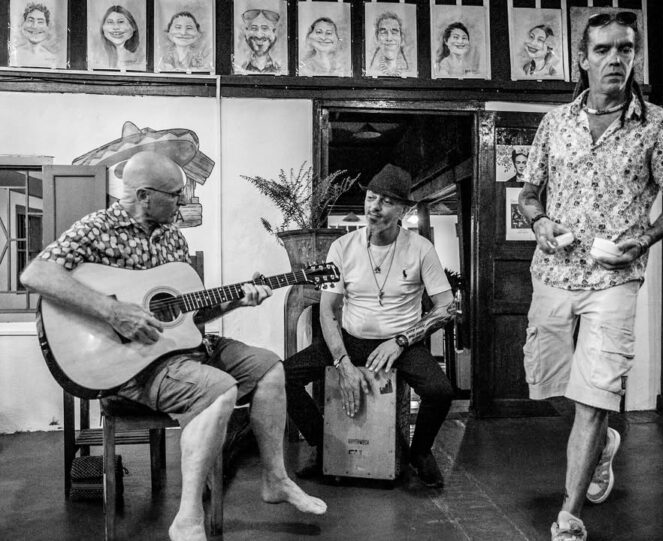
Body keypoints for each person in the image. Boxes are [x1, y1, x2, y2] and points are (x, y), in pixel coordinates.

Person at [20, 151, 326, 541]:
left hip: (183, 348)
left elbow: (188, 317)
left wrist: (238, 300)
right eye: (176, 194)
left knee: (269, 366)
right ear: (144, 196)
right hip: (137, 362)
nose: (184, 201)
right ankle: (187, 515)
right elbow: (36, 274)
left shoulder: (173, 238)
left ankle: (275, 479)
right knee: (220, 390)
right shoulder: (97, 228)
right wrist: (113, 311)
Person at [517, 11, 663, 541]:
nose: (615, 58)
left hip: (615, 279)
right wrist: (540, 222)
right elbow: (529, 195)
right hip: (553, 272)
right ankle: (603, 444)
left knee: (596, 394)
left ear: (634, 55)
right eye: (602, 49)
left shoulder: (659, 124)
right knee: (547, 385)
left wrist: (646, 237)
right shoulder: (555, 123)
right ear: (582, 59)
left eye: (625, 48)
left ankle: (569, 517)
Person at [283, 164, 456, 488]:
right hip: (350, 339)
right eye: (371, 197)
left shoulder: (421, 248)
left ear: (403, 210)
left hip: (401, 343)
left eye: (387, 201)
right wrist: (342, 362)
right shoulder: (343, 247)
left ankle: (420, 452)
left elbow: (447, 307)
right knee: (281, 377)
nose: (375, 207)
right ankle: (322, 445)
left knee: (440, 391)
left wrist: (402, 341)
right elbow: (327, 310)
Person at [11, 3, 58, 68]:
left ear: (47, 26)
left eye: (40, 22)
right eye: (30, 20)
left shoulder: (52, 58)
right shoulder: (13, 56)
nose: (35, 26)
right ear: (23, 23)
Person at [368, 11, 409, 77]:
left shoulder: (409, 71)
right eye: (383, 32)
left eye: (394, 32)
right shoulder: (371, 70)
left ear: (401, 37)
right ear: (377, 38)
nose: (389, 38)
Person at [99, 5, 142, 70]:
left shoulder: (141, 57)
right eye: (110, 22)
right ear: (103, 27)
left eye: (121, 22)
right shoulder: (98, 56)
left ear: (133, 27)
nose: (116, 27)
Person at [241, 7, 282, 74]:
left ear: (274, 32)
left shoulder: (280, 69)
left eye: (265, 28)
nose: (259, 35)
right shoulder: (241, 68)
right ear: (246, 32)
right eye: (254, 28)